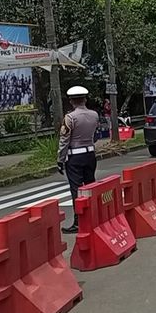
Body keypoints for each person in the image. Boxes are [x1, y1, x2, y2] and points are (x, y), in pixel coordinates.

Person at [57, 85, 99, 234]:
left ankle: (78, 221)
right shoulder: (94, 115)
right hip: (90, 154)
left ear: (71, 101)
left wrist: (60, 159)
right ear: (85, 99)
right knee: (90, 186)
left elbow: (64, 140)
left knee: (76, 189)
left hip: (74, 156)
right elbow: (95, 134)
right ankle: (95, 217)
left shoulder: (70, 117)